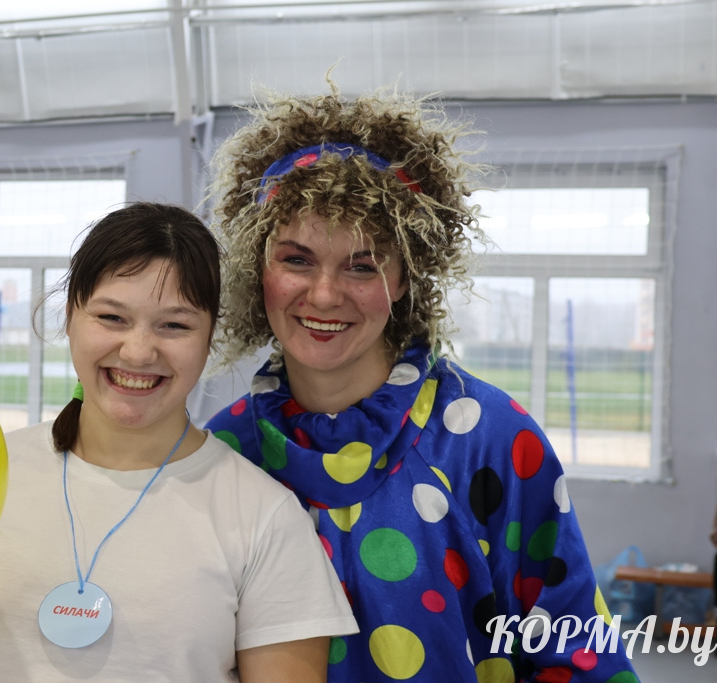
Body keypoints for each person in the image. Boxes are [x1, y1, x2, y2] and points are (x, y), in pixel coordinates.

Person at [0, 202, 358, 682]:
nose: (138, 352)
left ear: (209, 337)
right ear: (70, 317)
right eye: (111, 317)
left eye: (174, 326)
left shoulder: (264, 517)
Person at [203, 84, 640, 681]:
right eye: (297, 259)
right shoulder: (226, 452)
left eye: (362, 265)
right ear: (260, 267)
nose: (324, 295)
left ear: (406, 277)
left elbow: (576, 653)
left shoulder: (489, 438)